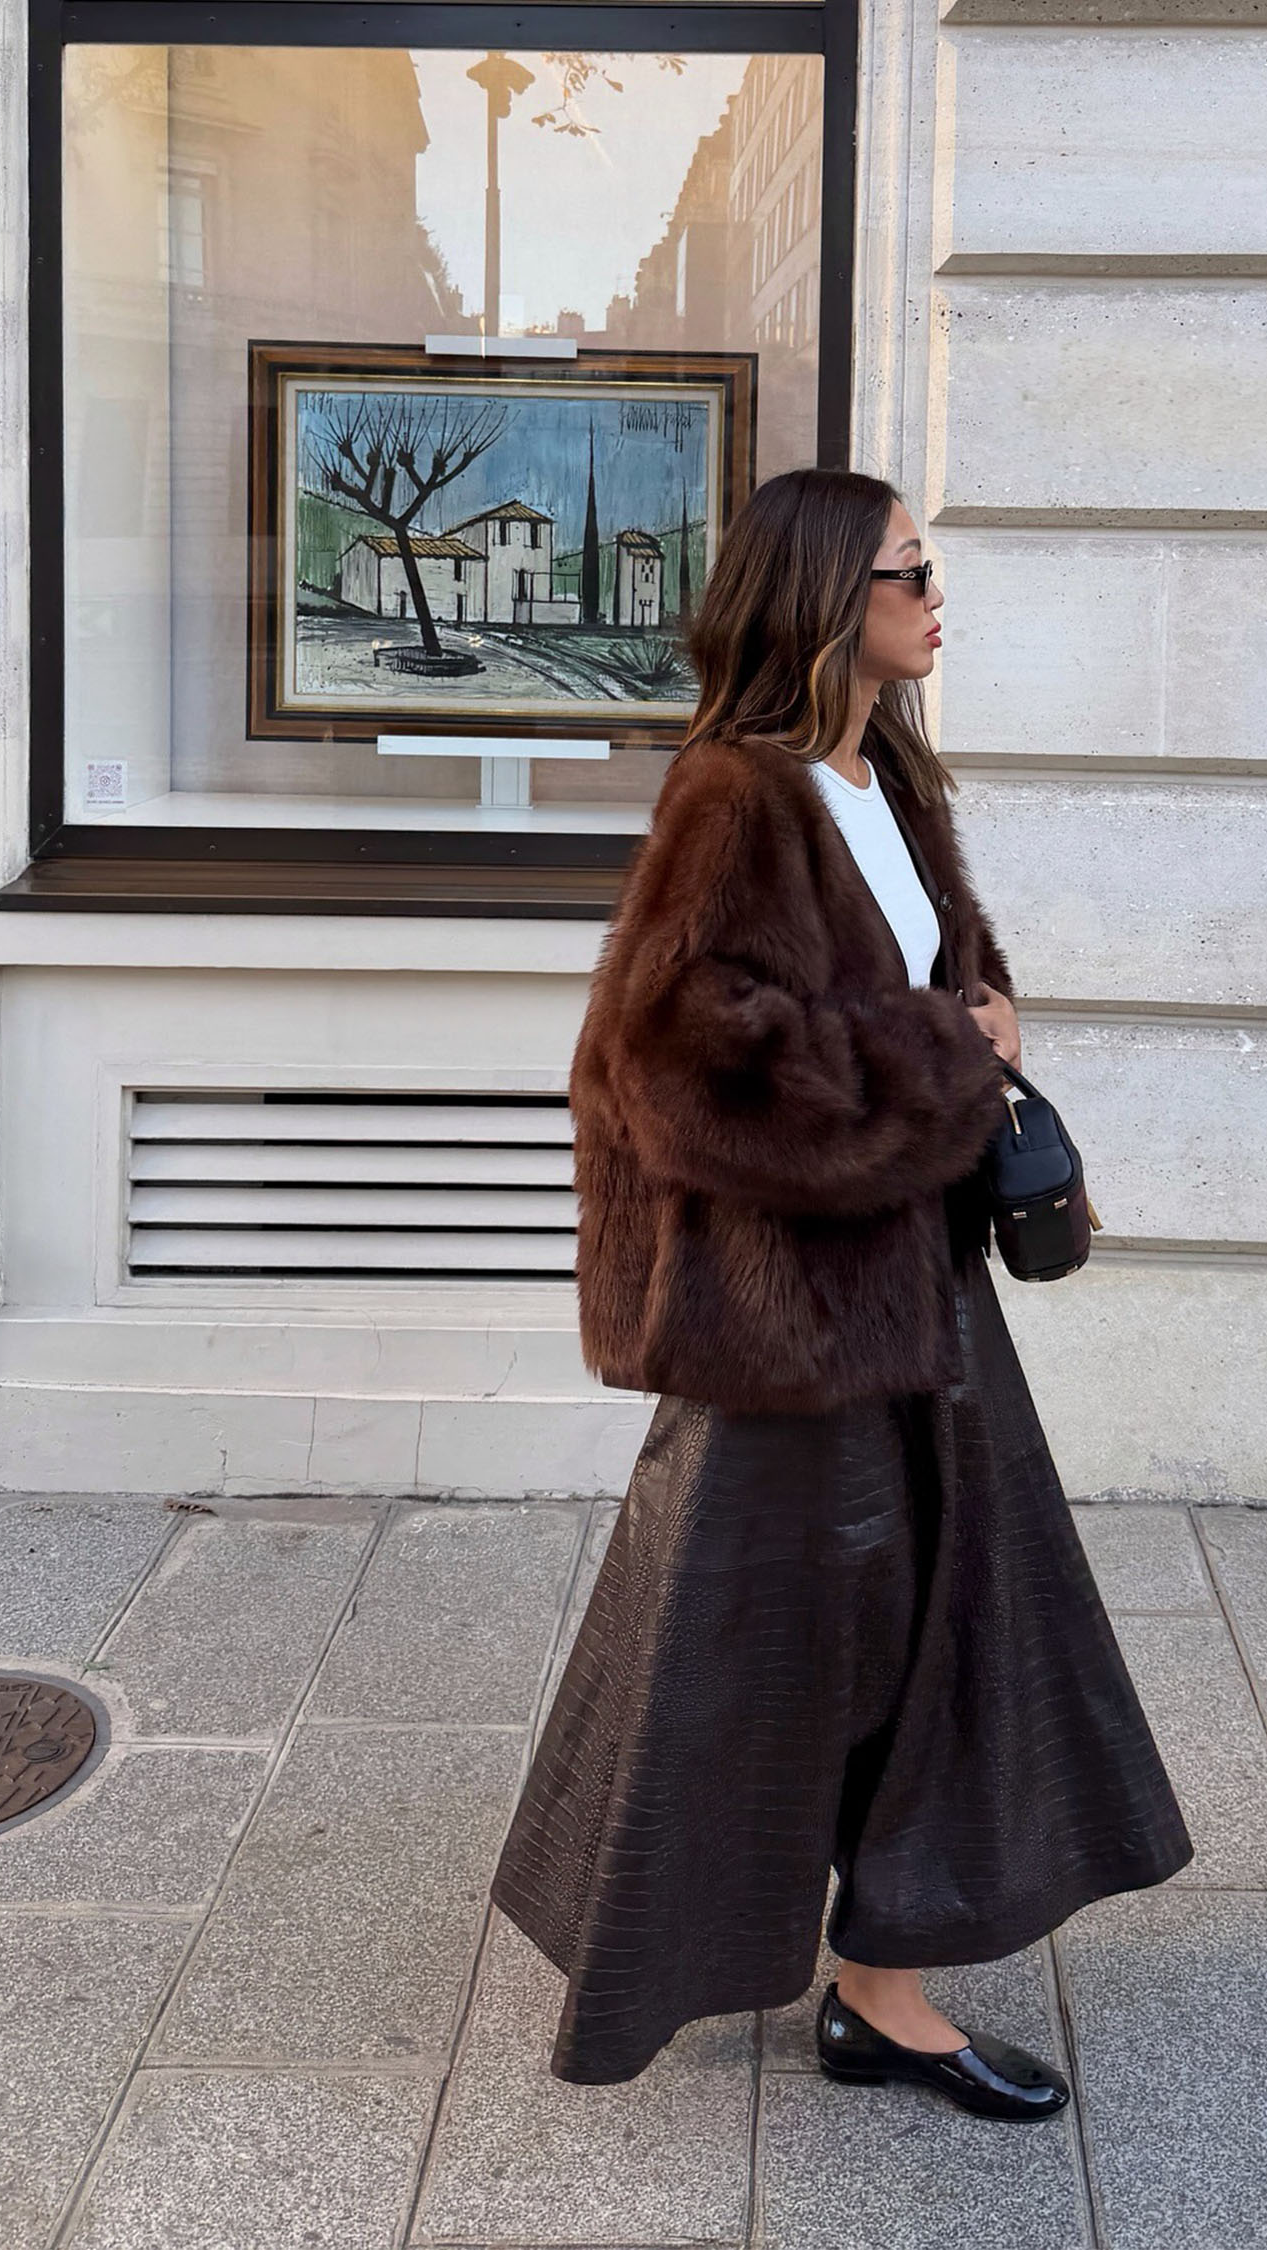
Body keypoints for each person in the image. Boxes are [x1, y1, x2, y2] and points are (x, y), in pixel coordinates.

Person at [486, 466, 1191, 2108]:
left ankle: (883, 1986)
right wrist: (943, 1052)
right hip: (787, 1315)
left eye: (930, 569)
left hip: (914, 1279)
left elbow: (917, 981)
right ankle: (655, 1965)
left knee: (952, 1615)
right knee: (738, 1637)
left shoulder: (888, 774)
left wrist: (976, 1019)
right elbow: (675, 1056)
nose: (937, 598)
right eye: (908, 573)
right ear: (825, 598)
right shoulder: (739, 793)